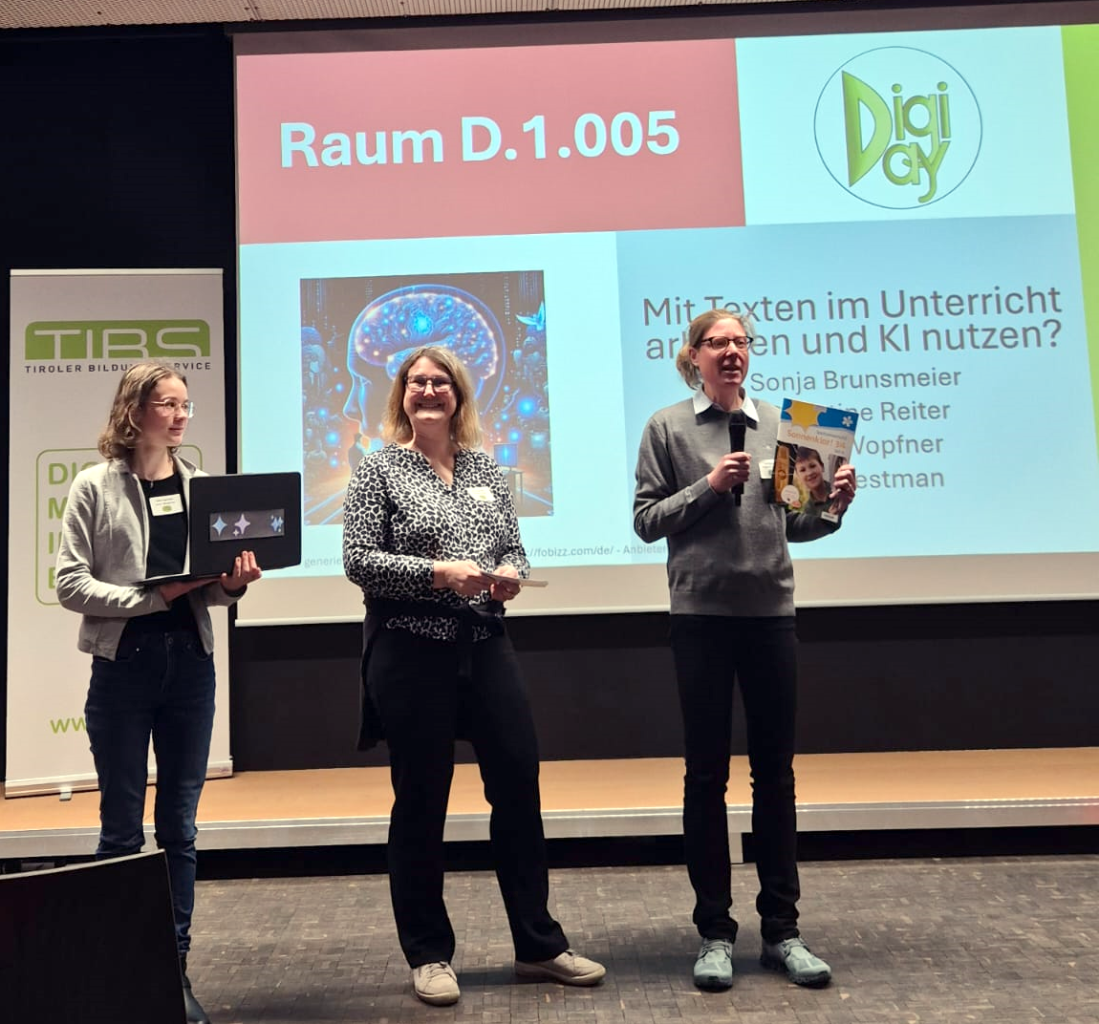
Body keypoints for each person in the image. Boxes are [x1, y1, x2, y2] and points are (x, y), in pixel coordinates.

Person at [342, 345, 605, 1007]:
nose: (428, 391)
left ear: (458, 394)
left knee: (517, 786)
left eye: (440, 382)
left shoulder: (485, 468)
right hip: (409, 648)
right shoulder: (378, 468)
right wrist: (438, 574)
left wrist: (510, 571)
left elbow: (511, 544)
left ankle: (538, 946)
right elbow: (358, 560)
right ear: (401, 395)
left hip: (485, 642)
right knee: (421, 800)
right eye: (416, 382)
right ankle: (428, 953)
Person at [633, 309, 856, 992]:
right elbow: (646, 521)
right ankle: (714, 932)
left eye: (740, 342)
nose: (731, 351)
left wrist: (833, 506)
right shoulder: (667, 427)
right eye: (717, 342)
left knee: (775, 776)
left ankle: (782, 931)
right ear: (692, 356)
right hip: (700, 618)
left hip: (769, 616)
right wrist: (709, 486)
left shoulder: (786, 426)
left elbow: (798, 524)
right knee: (706, 777)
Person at [56, 362, 262, 1024]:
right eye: (167, 404)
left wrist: (232, 584)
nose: (178, 417)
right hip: (123, 666)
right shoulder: (95, 486)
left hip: (189, 668)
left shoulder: (200, 487)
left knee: (179, 827)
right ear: (134, 410)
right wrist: (151, 598)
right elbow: (70, 584)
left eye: (185, 406)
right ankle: (119, 979)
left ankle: (173, 974)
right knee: (121, 830)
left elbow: (209, 589)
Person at [792, 448, 836, 518]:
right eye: (802, 470)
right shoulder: (806, 510)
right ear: (798, 476)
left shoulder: (838, 491)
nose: (809, 473)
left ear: (822, 466)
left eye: (812, 466)